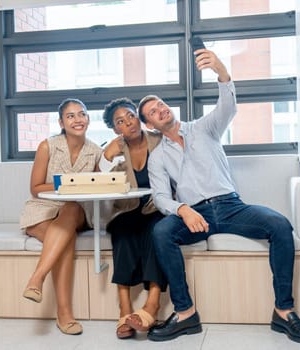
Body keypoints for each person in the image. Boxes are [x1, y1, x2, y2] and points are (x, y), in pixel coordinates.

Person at [137, 49, 300, 344]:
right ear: (150, 125)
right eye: (154, 112)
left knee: (280, 226)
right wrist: (183, 209)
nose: (161, 110)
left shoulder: (204, 127)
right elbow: (159, 197)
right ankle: (185, 313)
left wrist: (221, 72)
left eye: (162, 105)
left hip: (232, 207)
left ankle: (283, 311)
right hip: (195, 214)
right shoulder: (157, 158)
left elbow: (228, 107)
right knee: (161, 231)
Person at [19, 98, 102, 335]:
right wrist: (68, 183)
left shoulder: (96, 152)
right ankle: (64, 314)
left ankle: (37, 278)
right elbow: (35, 187)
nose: (78, 120)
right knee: (66, 242)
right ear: (61, 122)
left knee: (72, 208)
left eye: (82, 114)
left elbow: (100, 186)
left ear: (88, 118)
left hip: (75, 211)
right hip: (42, 211)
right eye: (71, 116)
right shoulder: (48, 146)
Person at [99, 97, 168, 339]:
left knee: (157, 231)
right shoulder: (114, 149)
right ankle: (125, 307)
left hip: (157, 208)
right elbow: (97, 180)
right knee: (122, 231)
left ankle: (153, 303)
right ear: (115, 129)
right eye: (121, 121)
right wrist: (106, 156)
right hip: (127, 210)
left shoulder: (158, 141)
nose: (129, 122)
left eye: (131, 115)